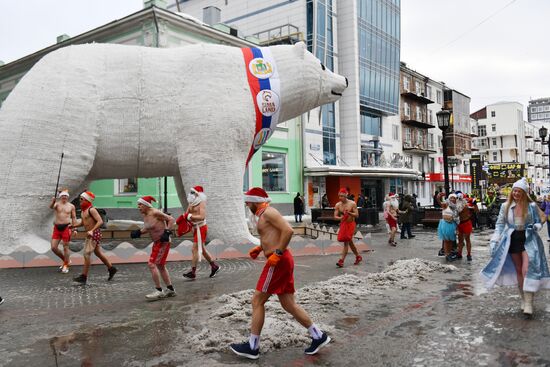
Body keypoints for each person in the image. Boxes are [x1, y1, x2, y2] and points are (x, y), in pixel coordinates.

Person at [230, 187, 330, 360]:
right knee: (289, 304)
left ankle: (253, 347)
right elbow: (272, 235)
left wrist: (277, 253)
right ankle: (318, 335)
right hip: (280, 260)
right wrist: (259, 247)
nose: (246, 204)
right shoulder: (261, 214)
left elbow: (288, 231)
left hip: (278, 262)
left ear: (254, 200)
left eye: (247, 202)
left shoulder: (269, 212)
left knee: (257, 301)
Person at [480, 178, 550, 317]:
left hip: (529, 239)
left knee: (527, 269)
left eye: (519, 191)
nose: (516, 193)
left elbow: (539, 220)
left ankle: (529, 302)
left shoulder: (531, 206)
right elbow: (500, 225)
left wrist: (537, 226)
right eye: (515, 191)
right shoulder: (505, 206)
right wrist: (494, 240)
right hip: (512, 240)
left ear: (524, 193)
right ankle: (524, 299)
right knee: (519, 270)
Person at [131, 196, 177, 301]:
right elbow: (149, 228)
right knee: (160, 266)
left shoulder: (155, 212)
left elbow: (171, 219)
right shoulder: (145, 215)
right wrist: (138, 232)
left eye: (140, 204)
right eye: (138, 205)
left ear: (146, 205)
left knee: (152, 264)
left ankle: (159, 291)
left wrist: (167, 232)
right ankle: (170, 290)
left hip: (163, 242)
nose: (138, 207)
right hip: (156, 243)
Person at [72, 192, 117, 285]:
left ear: (87, 200)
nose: (79, 200)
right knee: (98, 253)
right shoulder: (83, 211)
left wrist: (92, 230)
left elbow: (100, 221)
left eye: (81, 199)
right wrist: (73, 226)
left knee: (86, 254)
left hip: (94, 234)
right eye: (80, 198)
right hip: (90, 234)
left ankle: (83, 277)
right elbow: (83, 223)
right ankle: (111, 269)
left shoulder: (91, 210)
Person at [182, 186, 220, 279]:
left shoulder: (201, 203)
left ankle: (193, 272)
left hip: (201, 227)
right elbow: (186, 215)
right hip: (195, 228)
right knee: (201, 249)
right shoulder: (191, 203)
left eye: (192, 192)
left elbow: (202, 217)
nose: (190, 194)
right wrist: (188, 221)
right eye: (190, 192)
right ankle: (214, 266)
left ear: (197, 194)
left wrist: (190, 216)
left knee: (194, 249)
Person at [49, 189, 77, 273]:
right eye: (63, 196)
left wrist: (74, 228)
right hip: (57, 228)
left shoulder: (71, 206)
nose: (64, 197)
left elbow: (74, 218)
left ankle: (65, 265)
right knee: (53, 247)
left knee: (66, 247)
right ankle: (66, 260)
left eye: (65, 196)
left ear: (67, 197)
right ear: (60, 197)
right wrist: (53, 201)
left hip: (66, 228)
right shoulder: (56, 204)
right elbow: (51, 207)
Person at [334, 188, 362, 268]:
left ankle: (341, 260)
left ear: (346, 195)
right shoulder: (338, 205)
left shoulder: (352, 203)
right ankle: (358, 256)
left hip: (351, 224)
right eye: (339, 196)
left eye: (342, 196)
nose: (340, 198)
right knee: (350, 242)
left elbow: (357, 215)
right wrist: (341, 218)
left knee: (346, 242)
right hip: (343, 224)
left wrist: (349, 213)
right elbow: (335, 216)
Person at [456, 192, 478, 261]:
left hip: (466, 222)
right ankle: (459, 254)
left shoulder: (467, 205)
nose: (460, 198)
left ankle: (469, 254)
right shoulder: (455, 205)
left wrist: (475, 204)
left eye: (461, 197)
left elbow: (477, 211)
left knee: (467, 239)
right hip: (459, 223)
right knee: (460, 240)